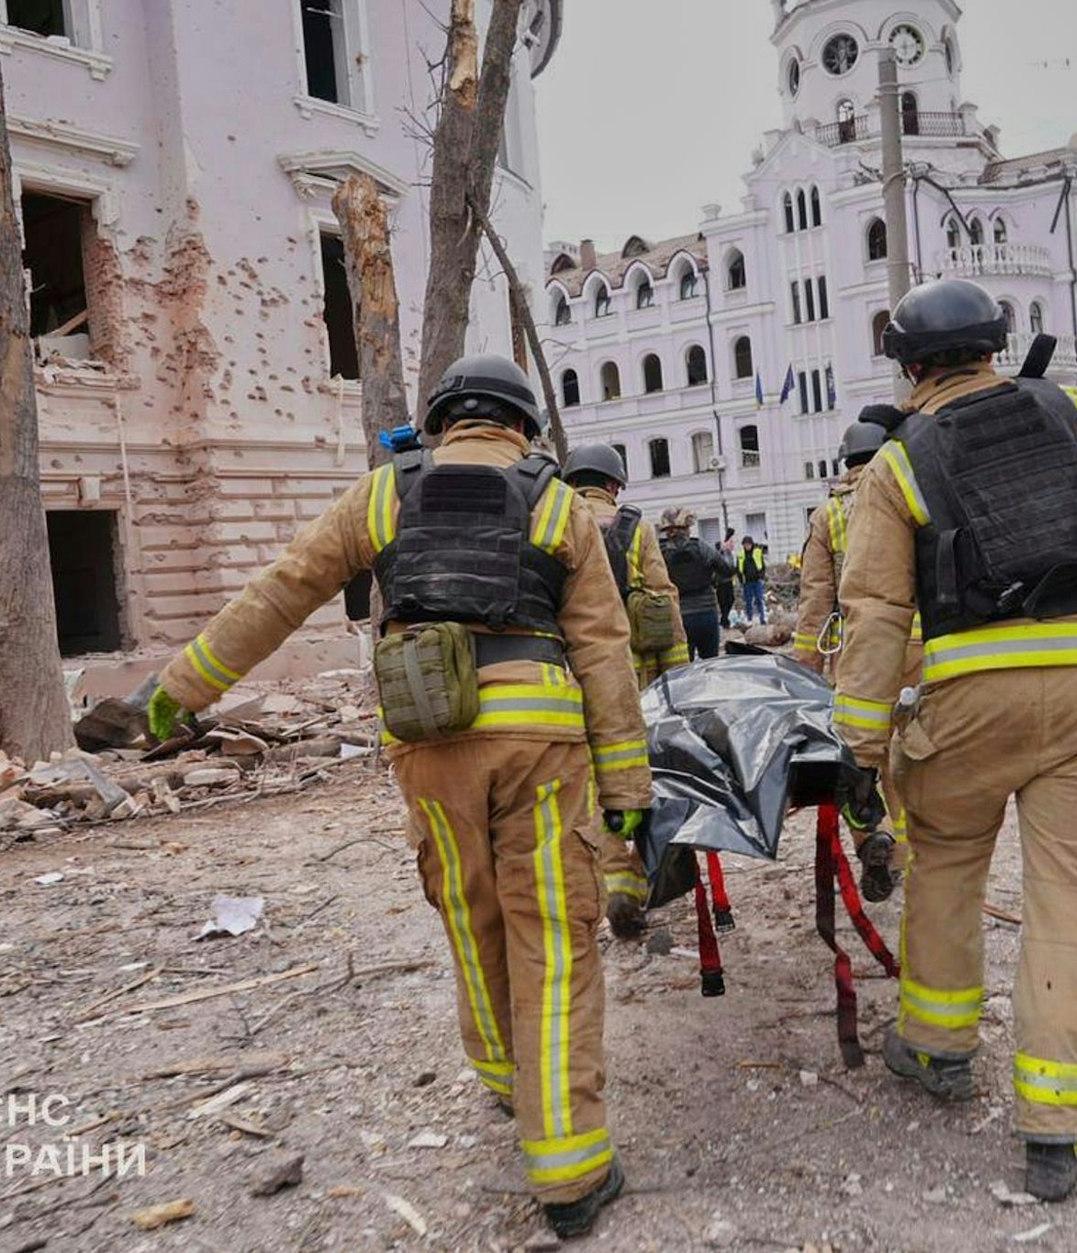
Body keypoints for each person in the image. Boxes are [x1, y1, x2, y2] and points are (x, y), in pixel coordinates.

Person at [146, 355, 647, 1238]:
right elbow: (604, 653)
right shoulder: (561, 504)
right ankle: (568, 1165)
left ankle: (505, 1083)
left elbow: (284, 589)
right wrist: (626, 789)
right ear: (523, 428)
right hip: (542, 750)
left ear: (444, 420)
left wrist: (186, 684)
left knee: (472, 914)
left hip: (427, 743)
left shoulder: (384, 493)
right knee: (555, 942)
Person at [834, 280, 1077, 1203]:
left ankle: (935, 1047)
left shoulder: (894, 466)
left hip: (968, 703)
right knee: (1070, 897)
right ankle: (1056, 1129)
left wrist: (859, 751)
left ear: (909, 366)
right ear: (996, 347)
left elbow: (877, 618)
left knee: (946, 865)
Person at [564, 442, 689, 938]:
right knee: (633, 775)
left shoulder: (551, 520)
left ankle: (610, 880)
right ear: (614, 485)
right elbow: (664, 605)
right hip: (631, 676)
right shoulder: (635, 528)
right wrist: (675, 681)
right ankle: (634, 878)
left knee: (590, 784)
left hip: (569, 678)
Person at [790, 410, 913, 902]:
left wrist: (805, 673)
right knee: (911, 758)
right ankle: (908, 852)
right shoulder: (907, 494)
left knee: (858, 757)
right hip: (921, 647)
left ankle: (871, 839)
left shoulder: (829, 514)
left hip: (855, 651)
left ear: (845, 462)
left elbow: (815, 599)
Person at [659, 509, 733, 660]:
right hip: (706, 613)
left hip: (679, 618)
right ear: (687, 527)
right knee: (710, 664)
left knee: (684, 670)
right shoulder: (701, 547)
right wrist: (725, 553)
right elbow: (727, 570)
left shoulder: (660, 552)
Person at [737, 536, 769, 624]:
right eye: (745, 545)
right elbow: (738, 569)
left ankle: (762, 618)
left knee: (759, 599)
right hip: (746, 582)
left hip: (757, 581)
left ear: (751, 544)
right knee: (748, 601)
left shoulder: (757, 552)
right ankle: (749, 618)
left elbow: (762, 566)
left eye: (748, 544)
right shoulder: (741, 555)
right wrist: (740, 580)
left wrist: (761, 577)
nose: (747, 546)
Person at [715, 528, 739, 628]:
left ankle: (724, 619)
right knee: (723, 602)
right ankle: (724, 620)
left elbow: (731, 565)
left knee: (730, 599)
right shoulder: (718, 554)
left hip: (728, 581)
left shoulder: (729, 554)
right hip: (720, 582)